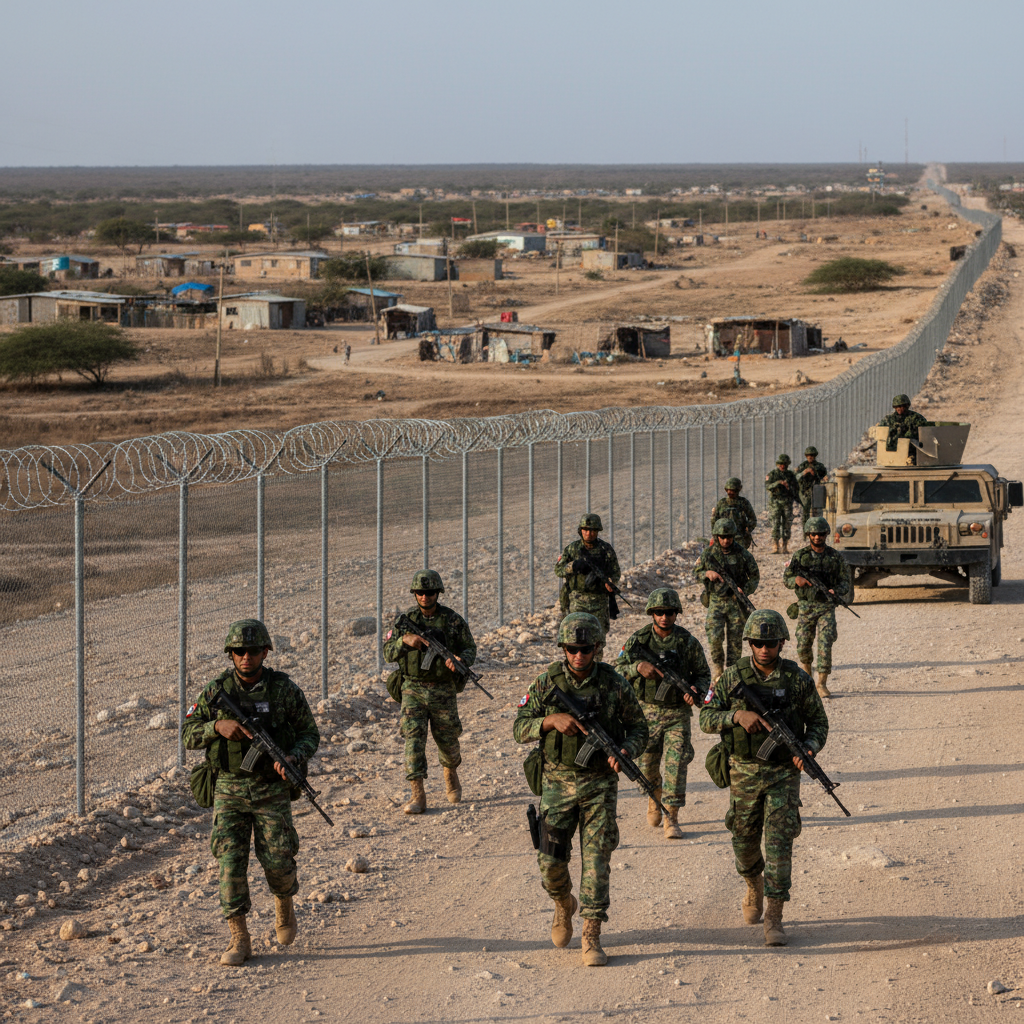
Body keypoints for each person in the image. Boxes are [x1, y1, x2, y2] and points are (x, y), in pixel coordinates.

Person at [182, 619, 320, 967]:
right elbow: (187, 733)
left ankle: (284, 902)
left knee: (278, 858)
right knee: (229, 862)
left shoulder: (283, 690)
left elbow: (309, 733)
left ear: (265, 652)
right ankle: (239, 937)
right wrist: (217, 726)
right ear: (231, 654)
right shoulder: (216, 692)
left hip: (271, 788)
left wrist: (293, 757)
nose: (246, 657)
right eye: (239, 651)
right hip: (228, 787)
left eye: (253, 651)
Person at [513, 612, 648, 967]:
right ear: (563, 648)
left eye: (586, 649)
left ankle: (591, 933)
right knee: (550, 862)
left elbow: (639, 729)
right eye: (572, 649)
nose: (579, 656)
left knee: (597, 859)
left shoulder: (615, 683)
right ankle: (563, 903)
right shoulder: (546, 683)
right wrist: (548, 721)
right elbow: (519, 727)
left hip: (599, 784)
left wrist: (626, 751)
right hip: (557, 783)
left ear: (598, 648)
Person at [699, 609, 828, 947]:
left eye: (770, 643)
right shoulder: (731, 677)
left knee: (779, 842)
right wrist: (736, 715)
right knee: (743, 839)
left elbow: (819, 723)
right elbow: (706, 717)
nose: (764, 649)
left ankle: (774, 915)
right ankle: (753, 883)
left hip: (784, 772)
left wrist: (809, 748)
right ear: (749, 644)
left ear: (782, 642)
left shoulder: (797, 679)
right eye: (757, 643)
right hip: (742, 770)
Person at [615, 588, 711, 840]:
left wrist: (695, 691)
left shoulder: (687, 642)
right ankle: (652, 797)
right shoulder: (639, 641)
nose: (664, 617)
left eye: (669, 612)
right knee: (647, 766)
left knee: (676, 763)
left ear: (676, 613)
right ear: (651, 614)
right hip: (645, 713)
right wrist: (637, 667)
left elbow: (703, 674)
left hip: (677, 713)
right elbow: (616, 669)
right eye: (659, 612)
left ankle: (672, 817)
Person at [382, 570, 477, 814]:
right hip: (412, 687)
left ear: (438, 593)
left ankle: (450, 771)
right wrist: (405, 641)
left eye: (430, 592)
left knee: (448, 740)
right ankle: (418, 794)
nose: (425, 597)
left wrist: (459, 660)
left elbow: (469, 648)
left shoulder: (452, 620)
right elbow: (388, 653)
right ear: (415, 594)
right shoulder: (406, 622)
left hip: (443, 689)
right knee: (413, 739)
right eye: (420, 593)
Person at [783, 517, 850, 699]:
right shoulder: (800, 556)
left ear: (826, 534)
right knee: (803, 644)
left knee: (825, 644)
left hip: (826, 606)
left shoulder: (835, 557)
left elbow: (846, 582)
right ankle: (807, 679)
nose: (817, 537)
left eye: (821, 534)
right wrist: (797, 581)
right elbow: (787, 577)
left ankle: (821, 683)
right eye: (814, 534)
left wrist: (835, 590)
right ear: (808, 535)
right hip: (805, 607)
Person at [693, 518, 760, 680]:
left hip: (736, 603)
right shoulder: (709, 554)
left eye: (728, 537)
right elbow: (696, 573)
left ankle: (731, 672)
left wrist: (744, 590)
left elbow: (754, 576)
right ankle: (717, 671)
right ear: (716, 537)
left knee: (735, 640)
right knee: (714, 637)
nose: (725, 540)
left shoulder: (742, 554)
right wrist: (707, 574)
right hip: (716, 601)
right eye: (722, 537)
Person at [554, 513, 621, 636]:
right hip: (577, 601)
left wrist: (611, 581)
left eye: (592, 530)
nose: (589, 534)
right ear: (581, 531)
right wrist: (572, 566)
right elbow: (558, 570)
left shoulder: (606, 549)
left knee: (597, 639)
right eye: (586, 530)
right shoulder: (572, 549)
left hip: (599, 602)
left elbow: (616, 571)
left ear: (598, 531)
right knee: (577, 639)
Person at [710, 477, 758, 550]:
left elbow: (753, 519)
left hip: (739, 537)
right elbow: (715, 520)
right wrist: (716, 536)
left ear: (738, 490)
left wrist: (748, 529)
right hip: (724, 537)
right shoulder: (721, 503)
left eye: (733, 490)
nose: (730, 493)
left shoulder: (743, 503)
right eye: (728, 490)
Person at [765, 454, 799, 554]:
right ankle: (775, 545)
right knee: (775, 523)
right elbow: (768, 486)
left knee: (787, 524)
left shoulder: (790, 475)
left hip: (787, 502)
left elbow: (796, 488)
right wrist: (778, 483)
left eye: (784, 464)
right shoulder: (772, 474)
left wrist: (789, 487)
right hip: (775, 502)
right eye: (780, 464)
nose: (782, 466)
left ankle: (785, 545)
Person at [796, 447, 828, 527]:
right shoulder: (802, 466)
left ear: (815, 456)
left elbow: (825, 476)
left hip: (817, 491)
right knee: (805, 512)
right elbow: (796, 478)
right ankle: (806, 532)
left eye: (812, 455)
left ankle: (817, 529)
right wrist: (804, 472)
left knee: (817, 512)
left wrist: (819, 476)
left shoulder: (820, 466)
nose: (810, 457)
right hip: (805, 492)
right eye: (808, 455)